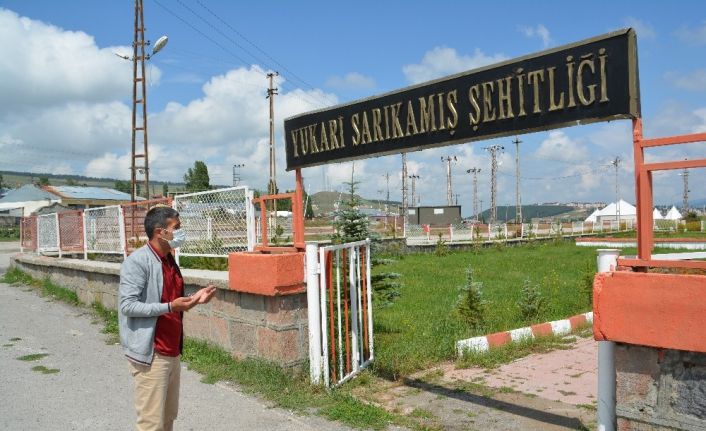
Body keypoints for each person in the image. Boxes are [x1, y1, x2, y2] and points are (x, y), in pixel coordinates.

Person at [119, 206, 216, 431]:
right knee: (151, 423)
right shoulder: (138, 262)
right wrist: (171, 306)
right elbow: (127, 306)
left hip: (172, 351)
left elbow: (170, 301)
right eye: (177, 228)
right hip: (152, 354)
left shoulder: (169, 261)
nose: (180, 233)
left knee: (168, 419)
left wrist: (193, 300)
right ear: (160, 232)